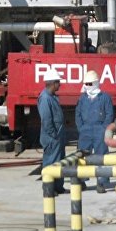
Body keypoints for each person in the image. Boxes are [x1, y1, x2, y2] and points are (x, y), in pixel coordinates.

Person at [75, 70, 114, 193]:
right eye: (86, 84)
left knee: (101, 157)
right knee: (82, 157)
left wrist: (103, 129)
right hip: (85, 130)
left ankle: (101, 183)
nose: (87, 86)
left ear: (96, 83)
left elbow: (109, 114)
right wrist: (81, 128)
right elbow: (78, 114)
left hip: (99, 131)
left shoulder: (105, 97)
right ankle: (81, 181)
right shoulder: (82, 98)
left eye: (90, 83)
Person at [38, 67, 67, 195]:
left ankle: (58, 186)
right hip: (52, 137)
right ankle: (49, 188)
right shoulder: (45, 98)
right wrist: (53, 135)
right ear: (52, 83)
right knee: (51, 162)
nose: (59, 85)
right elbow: (46, 120)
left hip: (57, 136)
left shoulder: (52, 97)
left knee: (59, 161)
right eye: (58, 82)